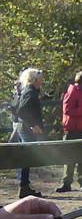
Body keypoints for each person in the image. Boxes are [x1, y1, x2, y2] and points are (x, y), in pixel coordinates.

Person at [56, 70, 82, 193]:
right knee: (69, 157)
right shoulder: (72, 91)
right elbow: (67, 110)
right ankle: (66, 183)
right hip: (73, 129)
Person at [14, 68, 46, 198]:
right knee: (27, 157)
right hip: (27, 129)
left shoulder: (28, 91)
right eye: (40, 79)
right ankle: (24, 186)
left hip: (25, 127)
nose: (42, 81)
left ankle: (24, 185)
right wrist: (33, 125)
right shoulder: (30, 92)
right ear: (35, 80)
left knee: (25, 157)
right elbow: (22, 111)